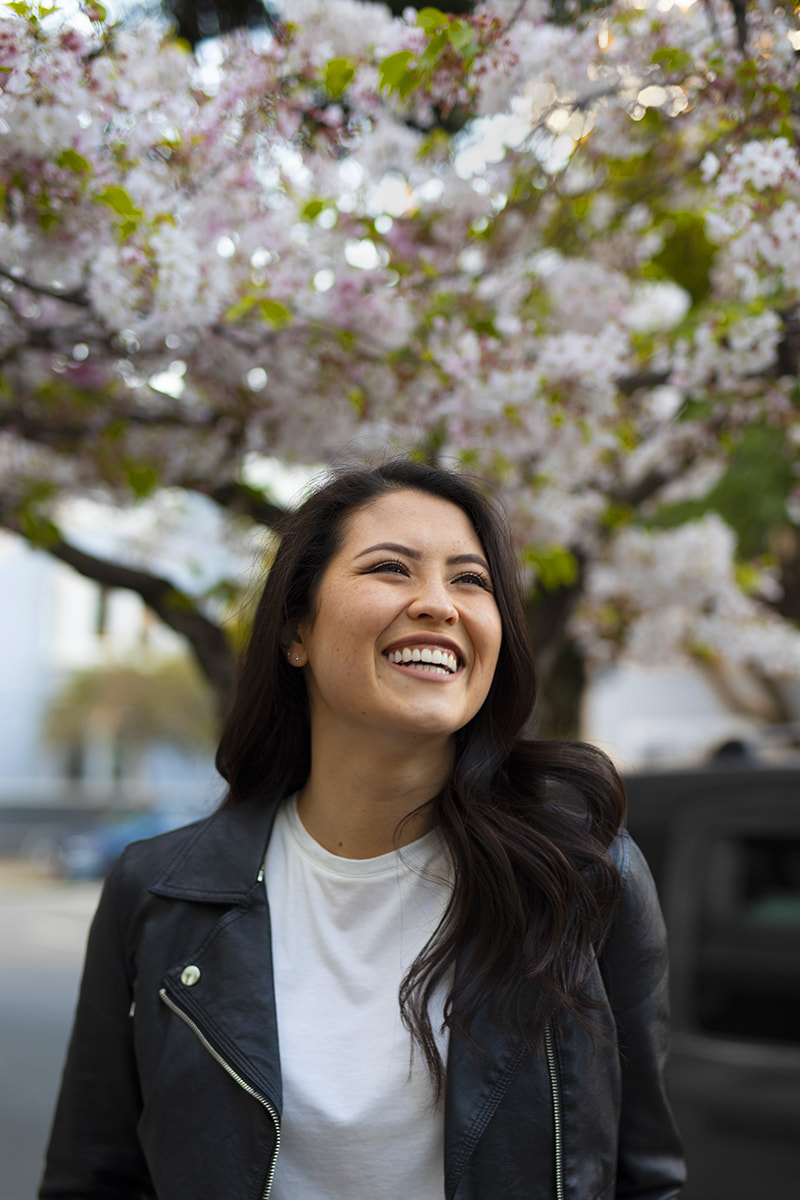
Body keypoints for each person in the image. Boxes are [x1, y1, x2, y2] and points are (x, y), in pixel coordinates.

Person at [40, 458, 685, 1200]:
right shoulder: (157, 892)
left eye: (470, 580)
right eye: (391, 568)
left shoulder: (586, 879)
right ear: (295, 630)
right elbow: (91, 1178)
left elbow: (645, 1181)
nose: (439, 604)